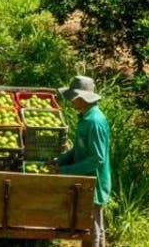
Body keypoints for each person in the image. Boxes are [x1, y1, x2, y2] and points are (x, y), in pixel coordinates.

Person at [47, 75, 111, 247]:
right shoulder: (85, 118)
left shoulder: (94, 122)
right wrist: (60, 160)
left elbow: (97, 158)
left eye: (72, 98)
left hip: (94, 180)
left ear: (82, 98)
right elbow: (79, 148)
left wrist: (66, 171)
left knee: (91, 226)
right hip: (86, 177)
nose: (70, 102)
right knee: (94, 222)